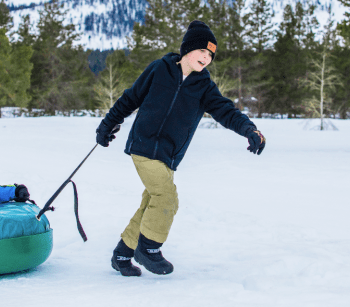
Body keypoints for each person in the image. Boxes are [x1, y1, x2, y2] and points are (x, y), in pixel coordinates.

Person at [96, 20, 266, 277]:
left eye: (211, 55)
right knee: (167, 198)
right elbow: (130, 98)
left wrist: (249, 129)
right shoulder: (159, 69)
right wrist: (107, 126)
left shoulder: (204, 86)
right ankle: (149, 248)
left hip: (169, 155)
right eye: (203, 52)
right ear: (188, 49)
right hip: (143, 146)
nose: (207, 58)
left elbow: (225, 110)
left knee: (151, 203)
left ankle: (122, 253)